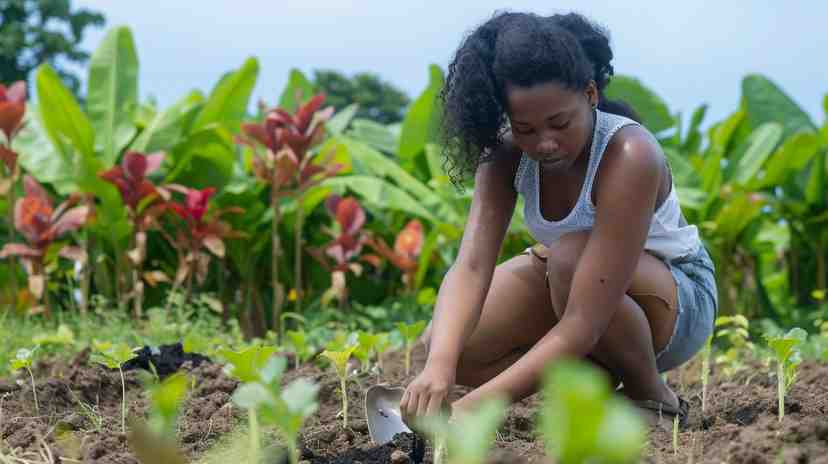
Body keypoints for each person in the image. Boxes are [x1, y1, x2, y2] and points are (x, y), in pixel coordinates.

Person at [399, 11, 718, 429]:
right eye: (525, 128)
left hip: (677, 298)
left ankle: (652, 398)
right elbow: (472, 266)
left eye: (559, 123)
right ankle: (597, 386)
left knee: (568, 257)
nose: (544, 143)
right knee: (446, 346)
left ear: (589, 95)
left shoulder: (628, 154)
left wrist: (473, 410)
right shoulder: (506, 155)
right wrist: (439, 367)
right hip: (571, 284)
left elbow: (584, 321)